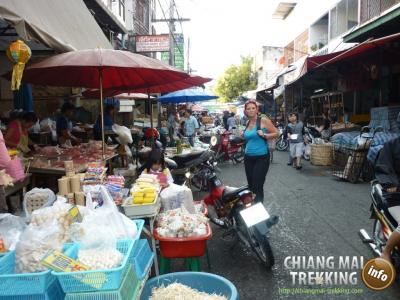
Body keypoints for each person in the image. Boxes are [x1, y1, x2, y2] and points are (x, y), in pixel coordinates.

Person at [243, 100, 278, 203]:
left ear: (257, 109)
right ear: (245, 111)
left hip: (261, 158)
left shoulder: (263, 120)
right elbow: (250, 138)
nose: (251, 110)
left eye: (253, 108)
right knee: (251, 185)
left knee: (257, 185)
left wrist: (265, 135)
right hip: (248, 158)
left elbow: (277, 133)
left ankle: (259, 211)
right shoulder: (247, 122)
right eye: (248, 108)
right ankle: (253, 206)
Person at [374, 137, 400, 262]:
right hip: (396, 197)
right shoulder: (391, 145)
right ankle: (386, 252)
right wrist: (391, 184)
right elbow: (384, 167)